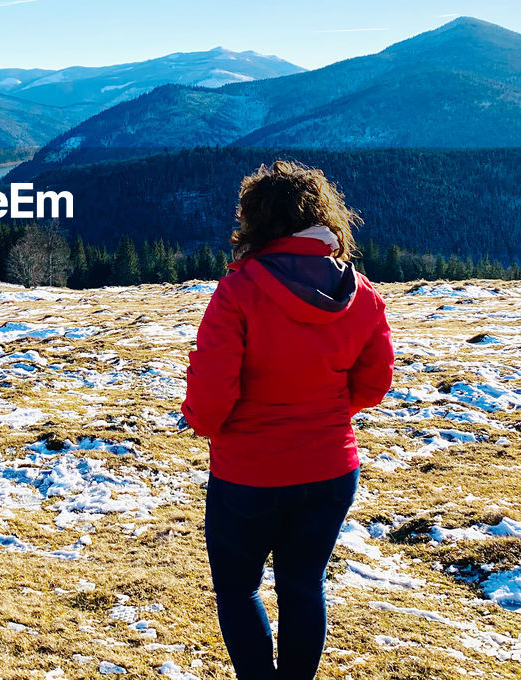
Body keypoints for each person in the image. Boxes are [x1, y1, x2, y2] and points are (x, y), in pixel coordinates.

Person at [181, 160, 395, 679]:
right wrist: (322, 414)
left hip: (248, 475)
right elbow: (375, 384)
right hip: (331, 469)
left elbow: (209, 404)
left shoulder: (237, 292)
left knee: (238, 589)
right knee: (303, 586)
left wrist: (200, 421)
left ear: (255, 221)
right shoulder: (361, 293)